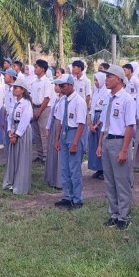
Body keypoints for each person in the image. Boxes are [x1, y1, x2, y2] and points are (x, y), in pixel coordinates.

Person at [97, 64, 136, 230]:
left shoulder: (126, 99)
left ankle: (124, 216)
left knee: (122, 181)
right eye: (106, 77)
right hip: (107, 140)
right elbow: (105, 123)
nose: (106, 80)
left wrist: (124, 150)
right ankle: (114, 213)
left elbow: (129, 126)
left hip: (119, 141)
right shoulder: (108, 98)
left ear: (119, 79)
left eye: (109, 77)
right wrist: (100, 144)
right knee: (110, 180)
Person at [54, 74, 88, 209]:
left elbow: (81, 124)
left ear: (70, 85)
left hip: (74, 133)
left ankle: (77, 199)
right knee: (64, 168)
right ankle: (67, 196)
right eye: (59, 86)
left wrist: (75, 142)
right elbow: (60, 122)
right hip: (64, 134)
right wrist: (57, 139)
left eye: (63, 86)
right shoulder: (63, 101)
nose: (60, 88)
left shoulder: (79, 101)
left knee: (74, 169)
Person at [3, 77, 34, 194]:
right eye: (13, 87)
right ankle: (12, 180)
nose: (13, 90)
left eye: (16, 88)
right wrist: (10, 130)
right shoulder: (14, 102)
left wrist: (17, 134)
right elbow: (9, 117)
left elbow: (25, 121)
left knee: (22, 156)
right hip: (14, 129)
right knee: (13, 156)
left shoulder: (26, 104)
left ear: (22, 90)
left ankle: (21, 184)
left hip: (22, 132)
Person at [29, 59, 54, 163]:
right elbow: (31, 96)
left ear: (42, 69)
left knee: (44, 133)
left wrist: (39, 111)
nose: (35, 69)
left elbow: (46, 98)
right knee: (36, 133)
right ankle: (39, 154)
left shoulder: (46, 82)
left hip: (44, 108)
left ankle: (46, 155)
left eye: (37, 67)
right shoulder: (34, 82)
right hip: (35, 107)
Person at [88, 72, 109, 180]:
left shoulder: (107, 92)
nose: (95, 82)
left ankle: (104, 169)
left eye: (97, 80)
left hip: (101, 119)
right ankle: (98, 168)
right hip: (94, 117)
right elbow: (91, 107)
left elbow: (105, 111)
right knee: (94, 145)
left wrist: (96, 124)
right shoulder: (95, 90)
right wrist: (91, 123)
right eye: (94, 80)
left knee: (102, 144)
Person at [44, 83, 64, 190]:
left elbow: (61, 118)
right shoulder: (56, 99)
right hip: (53, 124)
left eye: (58, 85)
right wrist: (47, 128)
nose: (55, 87)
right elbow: (51, 114)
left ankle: (59, 180)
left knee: (58, 152)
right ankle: (51, 177)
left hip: (59, 125)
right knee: (52, 152)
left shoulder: (64, 100)